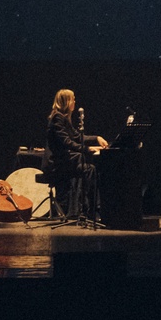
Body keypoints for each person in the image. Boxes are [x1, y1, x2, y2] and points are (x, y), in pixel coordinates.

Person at [43, 89, 108, 221]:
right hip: (56, 165)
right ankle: (92, 210)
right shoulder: (57, 118)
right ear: (66, 101)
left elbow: (77, 137)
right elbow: (67, 142)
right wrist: (87, 149)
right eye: (73, 99)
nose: (74, 101)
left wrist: (97, 138)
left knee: (90, 169)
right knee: (90, 170)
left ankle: (90, 210)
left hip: (62, 162)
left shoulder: (62, 118)